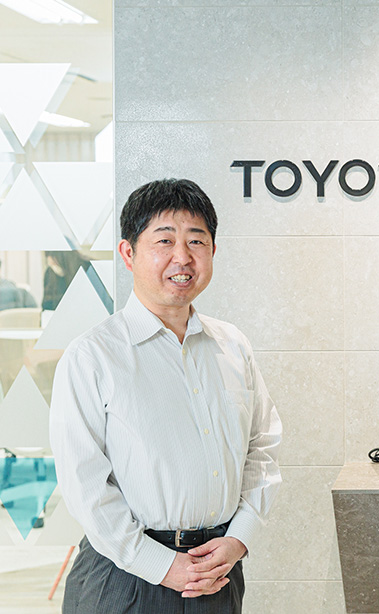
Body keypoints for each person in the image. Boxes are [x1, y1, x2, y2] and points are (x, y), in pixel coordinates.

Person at [49, 179, 282, 613]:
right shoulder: (92, 356)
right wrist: (160, 564)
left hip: (216, 571)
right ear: (128, 253)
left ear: (213, 251)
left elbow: (262, 449)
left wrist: (239, 538)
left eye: (197, 241)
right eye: (164, 241)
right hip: (124, 577)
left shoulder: (233, 347)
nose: (183, 257)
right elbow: (84, 485)